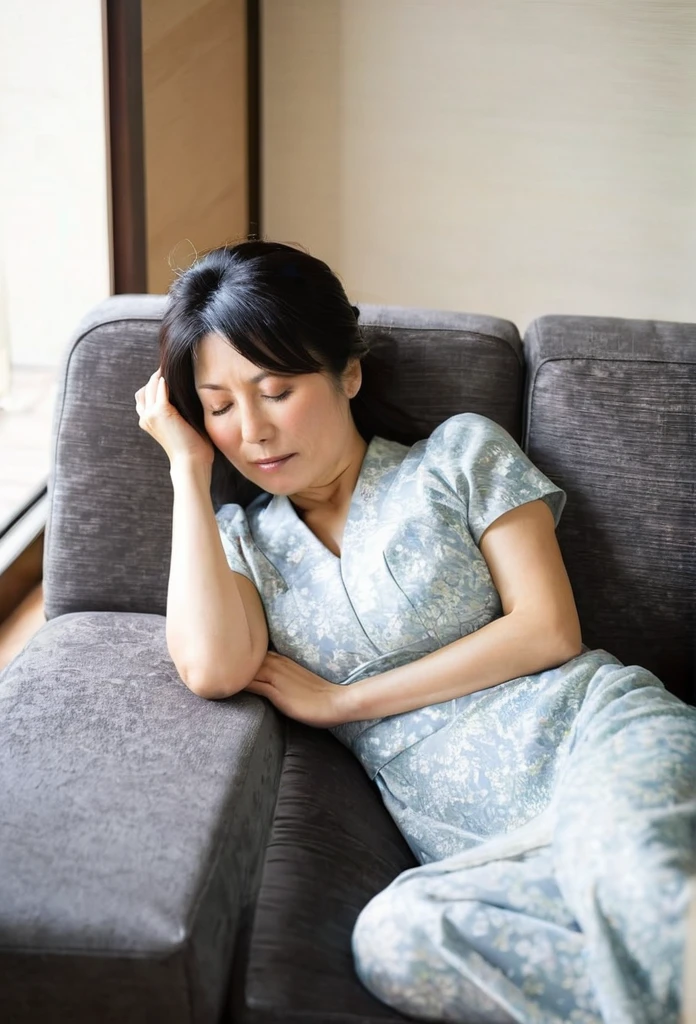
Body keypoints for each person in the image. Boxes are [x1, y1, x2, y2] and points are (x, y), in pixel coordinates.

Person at [134, 240, 696, 1024]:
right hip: (488, 854)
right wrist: (184, 472)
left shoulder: (459, 455)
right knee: (398, 938)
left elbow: (548, 630)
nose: (253, 430)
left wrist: (346, 702)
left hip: (597, 741)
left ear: (348, 374)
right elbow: (211, 669)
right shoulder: (240, 545)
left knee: (633, 880)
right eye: (221, 407)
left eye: (276, 390)